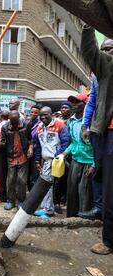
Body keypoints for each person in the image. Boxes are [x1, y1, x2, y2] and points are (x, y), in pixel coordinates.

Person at [80, 25, 113, 255]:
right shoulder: (108, 67)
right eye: (107, 49)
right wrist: (88, 25)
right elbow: (90, 51)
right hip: (109, 134)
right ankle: (110, 240)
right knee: (109, 187)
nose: (108, 53)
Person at [33, 107, 70, 219]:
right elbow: (39, 145)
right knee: (46, 185)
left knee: (48, 185)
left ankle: (49, 211)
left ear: (51, 114)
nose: (43, 117)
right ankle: (45, 208)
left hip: (55, 160)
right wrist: (37, 160)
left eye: (46, 114)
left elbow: (66, 142)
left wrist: (56, 156)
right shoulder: (40, 127)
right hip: (45, 161)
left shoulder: (60, 126)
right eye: (41, 115)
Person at [62, 93, 95, 217]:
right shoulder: (71, 122)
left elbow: (98, 146)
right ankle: (71, 217)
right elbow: (73, 143)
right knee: (71, 191)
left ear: (85, 104)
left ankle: (83, 218)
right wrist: (65, 153)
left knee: (84, 192)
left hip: (89, 162)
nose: (74, 105)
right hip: (75, 161)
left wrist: (94, 164)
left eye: (77, 102)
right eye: (73, 102)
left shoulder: (91, 122)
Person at [79, 73, 104, 220]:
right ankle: (99, 208)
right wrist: (84, 126)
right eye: (105, 49)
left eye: (110, 48)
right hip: (99, 130)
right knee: (99, 171)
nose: (108, 52)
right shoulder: (96, 78)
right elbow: (92, 102)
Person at [0, 110, 33, 210]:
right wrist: (1, 143)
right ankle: (10, 200)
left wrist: (30, 148)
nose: (14, 124)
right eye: (12, 122)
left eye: (16, 122)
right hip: (11, 156)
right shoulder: (5, 127)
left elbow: (30, 139)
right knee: (10, 180)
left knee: (21, 180)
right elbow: (3, 140)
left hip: (23, 155)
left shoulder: (26, 125)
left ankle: (21, 200)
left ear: (19, 118)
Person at [27, 104, 42, 190]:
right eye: (32, 112)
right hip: (28, 152)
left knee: (34, 173)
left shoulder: (40, 125)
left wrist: (32, 146)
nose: (33, 114)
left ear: (39, 114)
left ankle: (33, 193)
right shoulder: (28, 123)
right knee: (28, 173)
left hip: (36, 152)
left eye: (36, 113)